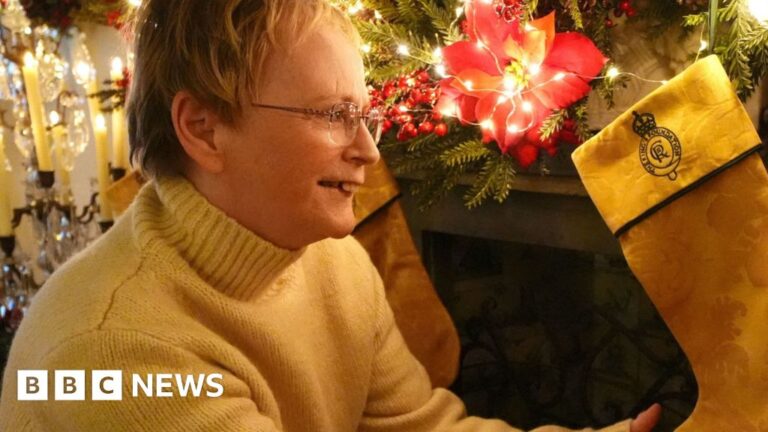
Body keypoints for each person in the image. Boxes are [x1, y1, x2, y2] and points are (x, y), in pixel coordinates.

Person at [0, 1, 661, 430]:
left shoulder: (333, 261)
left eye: (363, 113)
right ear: (203, 128)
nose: (369, 149)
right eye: (331, 114)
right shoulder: (112, 353)